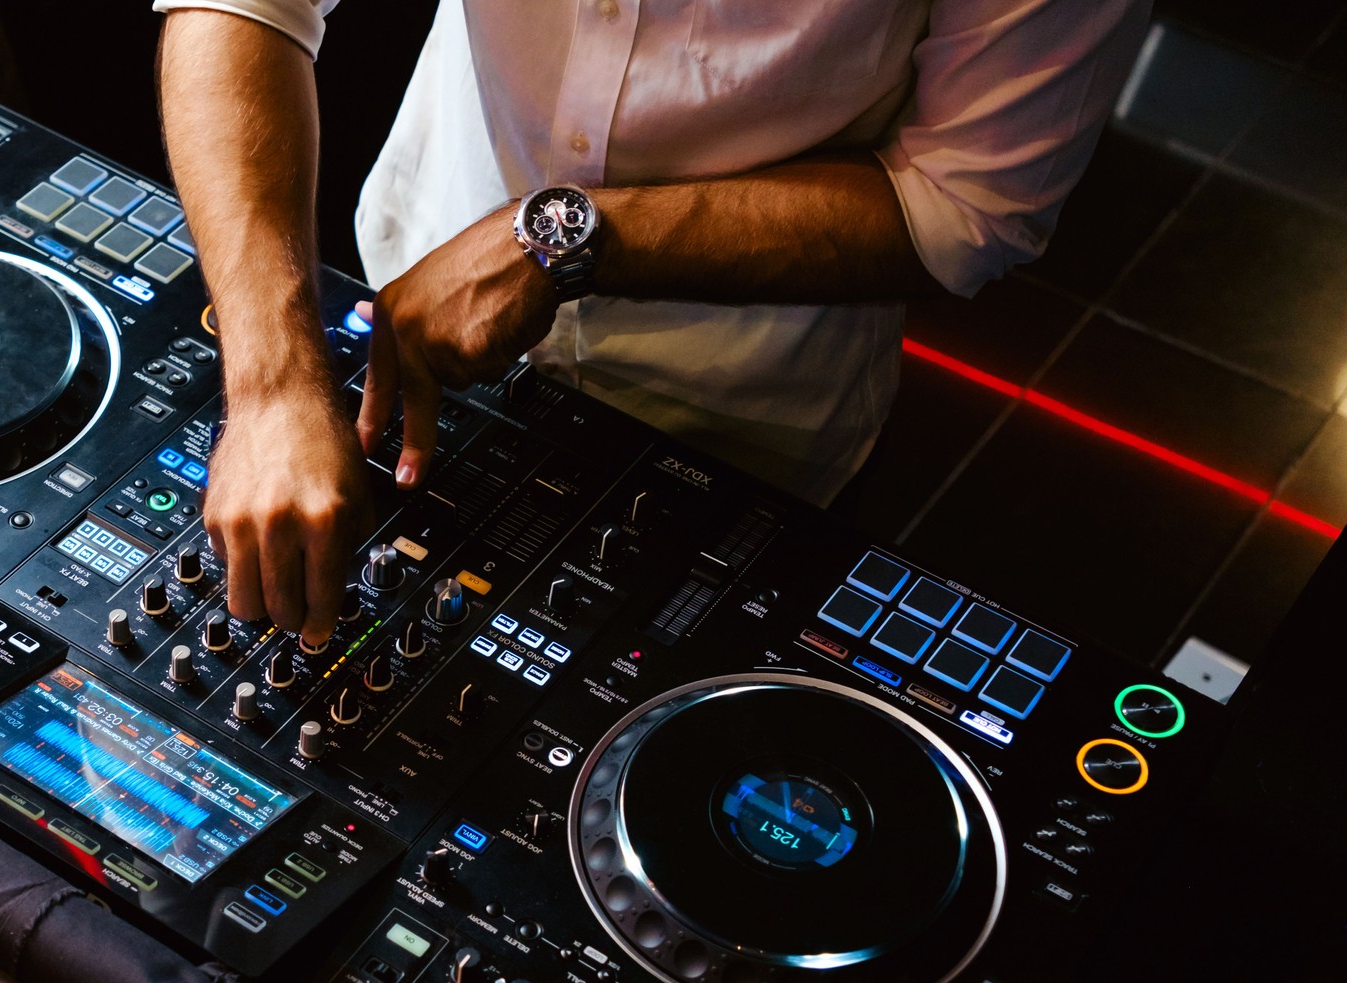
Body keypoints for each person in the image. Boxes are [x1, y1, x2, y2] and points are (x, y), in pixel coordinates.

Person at [153, 0, 1148, 645]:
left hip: (738, 415)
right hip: (408, 283)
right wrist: (276, 381)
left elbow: (966, 201)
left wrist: (566, 238)